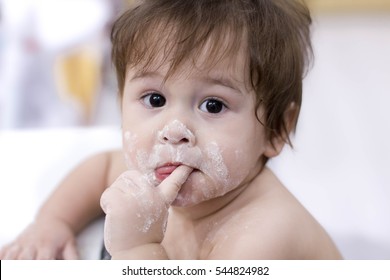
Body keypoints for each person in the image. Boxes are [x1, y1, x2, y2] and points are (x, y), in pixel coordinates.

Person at [0, 0, 342, 260]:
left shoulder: (263, 236)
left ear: (276, 130)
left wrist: (137, 248)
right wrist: (53, 222)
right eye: (154, 98)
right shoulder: (155, 170)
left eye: (213, 105)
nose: (173, 130)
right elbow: (101, 167)